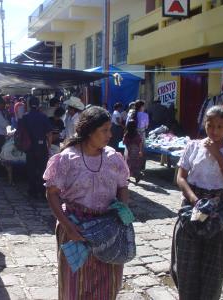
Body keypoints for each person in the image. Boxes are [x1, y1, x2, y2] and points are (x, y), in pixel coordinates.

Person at [43, 106, 130, 299]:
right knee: (75, 285)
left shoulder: (113, 158)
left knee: (107, 284)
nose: (110, 134)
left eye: (110, 129)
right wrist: (68, 227)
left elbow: (123, 186)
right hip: (75, 227)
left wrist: (122, 211)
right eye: (104, 130)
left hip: (108, 230)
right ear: (90, 131)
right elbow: (52, 194)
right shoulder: (67, 158)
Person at [171, 105, 223, 300]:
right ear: (204, 123)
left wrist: (217, 153)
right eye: (210, 125)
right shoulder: (193, 146)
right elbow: (181, 177)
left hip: (218, 212)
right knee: (186, 262)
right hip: (191, 207)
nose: (214, 131)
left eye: (220, 126)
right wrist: (194, 200)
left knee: (212, 267)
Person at [21, 96, 52, 198]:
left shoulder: (25, 117)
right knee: (43, 169)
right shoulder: (43, 116)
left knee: (31, 170)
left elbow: (20, 131)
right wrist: (49, 146)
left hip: (29, 147)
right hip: (41, 146)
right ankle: (43, 192)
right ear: (38, 105)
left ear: (29, 105)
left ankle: (32, 191)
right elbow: (49, 134)